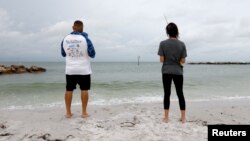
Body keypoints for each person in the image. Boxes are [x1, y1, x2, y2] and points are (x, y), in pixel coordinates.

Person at [61, 20, 96, 118]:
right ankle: (84, 113)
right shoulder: (85, 39)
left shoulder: (65, 38)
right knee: (84, 90)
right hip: (83, 69)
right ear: (82, 28)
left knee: (69, 89)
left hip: (70, 69)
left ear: (73, 27)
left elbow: (63, 53)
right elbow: (92, 54)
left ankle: (68, 113)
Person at [158, 22, 187, 123]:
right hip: (178, 71)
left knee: (167, 94)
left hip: (166, 71)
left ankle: (166, 118)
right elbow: (183, 61)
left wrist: (168, 59)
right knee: (180, 94)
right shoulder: (182, 44)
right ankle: (183, 118)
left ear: (167, 32)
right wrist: (176, 60)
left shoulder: (162, 44)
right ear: (176, 32)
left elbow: (161, 60)